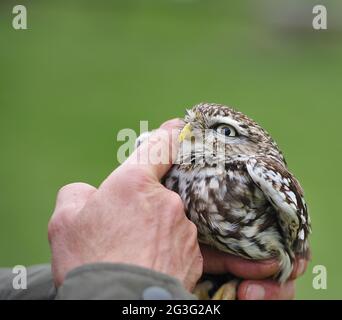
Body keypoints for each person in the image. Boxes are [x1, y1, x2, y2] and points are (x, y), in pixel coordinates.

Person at [0, 119, 307, 300]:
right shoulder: (174, 165)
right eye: (194, 124)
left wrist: (107, 277)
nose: (198, 133)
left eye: (224, 132)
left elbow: (292, 253)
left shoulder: (264, 178)